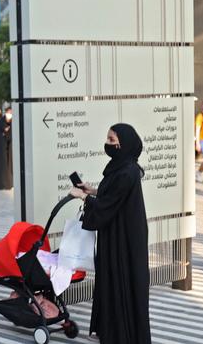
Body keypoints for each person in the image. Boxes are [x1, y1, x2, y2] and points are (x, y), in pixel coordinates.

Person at [69, 123, 151, 344]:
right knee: (112, 279)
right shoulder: (120, 166)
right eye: (108, 138)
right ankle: (112, 330)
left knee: (122, 280)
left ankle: (124, 335)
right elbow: (110, 193)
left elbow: (107, 205)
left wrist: (83, 197)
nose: (107, 143)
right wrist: (92, 190)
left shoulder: (128, 171)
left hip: (125, 240)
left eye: (112, 140)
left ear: (124, 144)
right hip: (116, 234)